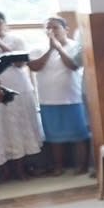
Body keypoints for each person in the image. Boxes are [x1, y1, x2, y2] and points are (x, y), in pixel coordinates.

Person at [29, 17, 89, 175]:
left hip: (72, 98)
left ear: (66, 29)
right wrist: (50, 49)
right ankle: (58, 167)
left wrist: (58, 48)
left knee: (79, 135)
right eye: (48, 28)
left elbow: (73, 66)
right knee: (54, 137)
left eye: (55, 27)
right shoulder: (38, 48)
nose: (51, 31)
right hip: (48, 99)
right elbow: (34, 67)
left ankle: (82, 166)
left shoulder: (76, 46)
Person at [0, 11, 44, 180]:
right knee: (4, 130)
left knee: (21, 127)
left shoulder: (15, 40)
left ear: (4, 24)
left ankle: (24, 168)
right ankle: (6, 171)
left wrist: (1, 43)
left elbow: (20, 63)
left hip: (19, 90)